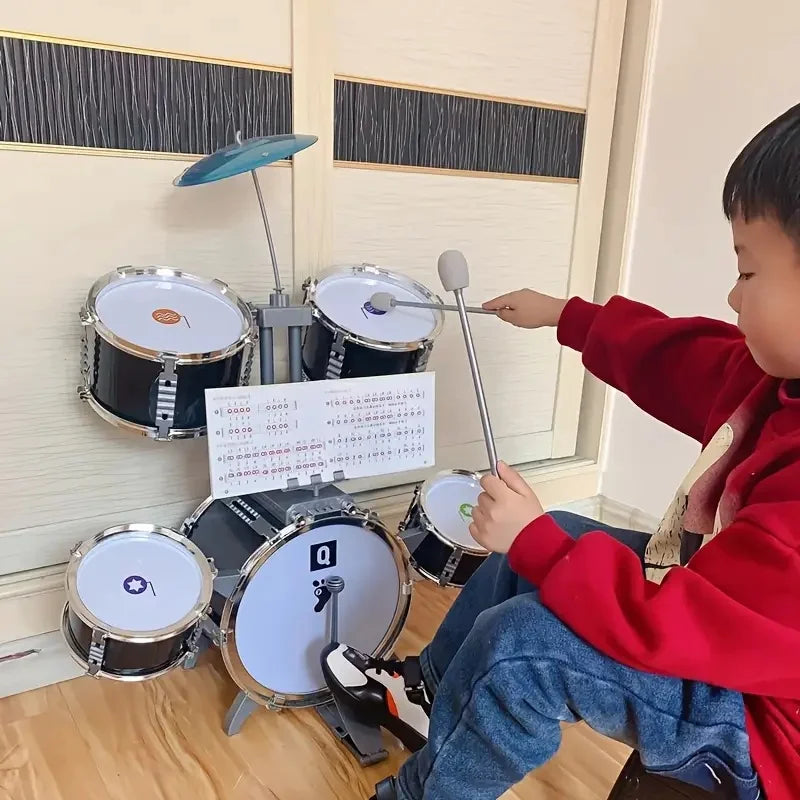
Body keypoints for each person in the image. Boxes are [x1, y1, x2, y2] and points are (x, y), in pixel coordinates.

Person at [360, 103, 800, 800]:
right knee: (541, 551)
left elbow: (675, 628)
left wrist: (538, 544)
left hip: (762, 727)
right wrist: (568, 315)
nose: (730, 293)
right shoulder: (774, 381)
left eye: (747, 272)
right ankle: (431, 695)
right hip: (712, 616)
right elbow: (678, 360)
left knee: (520, 653)